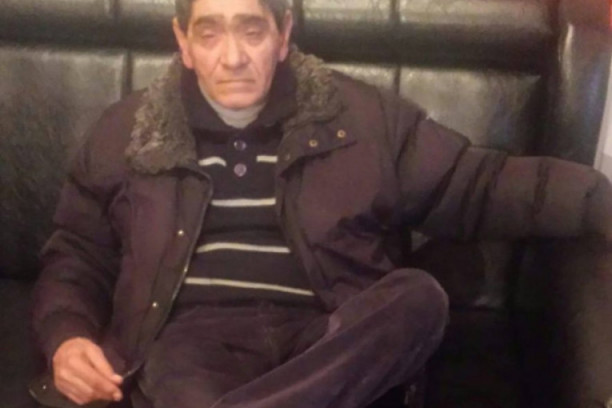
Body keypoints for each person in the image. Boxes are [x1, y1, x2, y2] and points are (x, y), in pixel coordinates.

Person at [30, 0, 612, 407]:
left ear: (283, 35)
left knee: (418, 298)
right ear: (183, 43)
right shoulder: (126, 132)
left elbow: (481, 184)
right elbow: (77, 252)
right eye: (209, 34)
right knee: (174, 368)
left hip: (332, 333)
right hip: (193, 341)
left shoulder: (362, 118)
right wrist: (67, 334)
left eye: (251, 31)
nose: (232, 57)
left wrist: (600, 201)